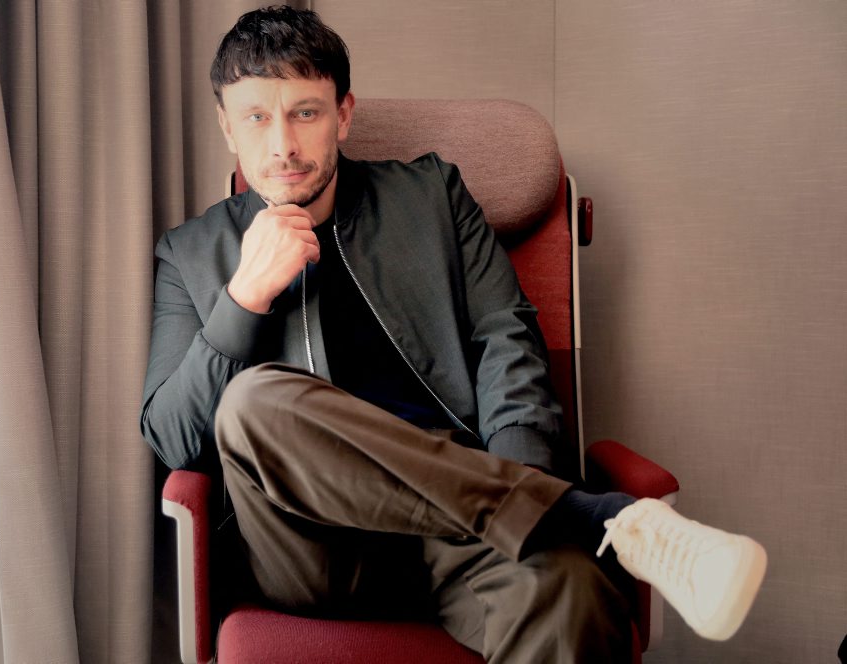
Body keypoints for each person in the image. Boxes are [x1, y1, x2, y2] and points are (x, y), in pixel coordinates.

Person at [140, 6, 766, 662]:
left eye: (305, 112)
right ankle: (590, 517)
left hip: (468, 532)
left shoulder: (433, 197)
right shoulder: (190, 254)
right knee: (253, 402)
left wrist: (521, 478)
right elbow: (171, 437)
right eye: (256, 118)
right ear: (226, 126)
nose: (283, 146)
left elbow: (508, 342)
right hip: (310, 549)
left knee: (572, 590)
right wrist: (244, 299)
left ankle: (541, 514)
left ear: (343, 115)